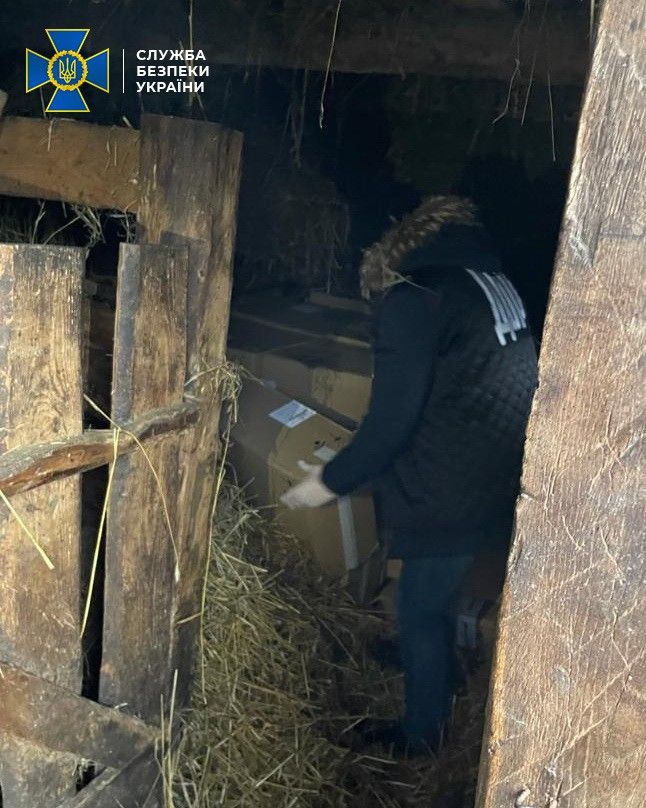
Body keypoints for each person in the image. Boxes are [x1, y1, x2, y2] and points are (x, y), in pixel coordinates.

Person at [281, 195, 538, 753]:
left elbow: (392, 420)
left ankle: (423, 735)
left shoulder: (415, 299)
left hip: (453, 482)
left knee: (419, 606)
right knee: (432, 593)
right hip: (495, 464)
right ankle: (428, 658)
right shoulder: (488, 282)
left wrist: (328, 483)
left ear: (388, 266)